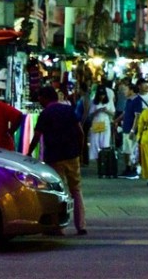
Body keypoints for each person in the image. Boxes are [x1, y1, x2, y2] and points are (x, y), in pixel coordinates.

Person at [26, 85, 87, 235]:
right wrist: (79, 151)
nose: (39, 100)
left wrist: (28, 153)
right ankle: (81, 225)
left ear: (45, 98)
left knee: (58, 192)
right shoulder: (68, 110)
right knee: (76, 190)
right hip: (72, 156)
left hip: (54, 157)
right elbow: (80, 132)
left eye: (40, 97)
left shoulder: (45, 114)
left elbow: (37, 136)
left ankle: (59, 227)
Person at [120, 82, 144, 177]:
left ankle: (134, 169)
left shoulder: (137, 101)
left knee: (133, 150)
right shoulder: (128, 100)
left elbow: (137, 117)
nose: (124, 92)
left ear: (131, 90)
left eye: (126, 89)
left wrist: (133, 130)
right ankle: (128, 168)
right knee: (126, 150)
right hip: (125, 128)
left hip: (131, 130)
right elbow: (125, 113)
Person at [88, 86, 115, 162]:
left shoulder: (109, 101)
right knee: (96, 142)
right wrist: (97, 111)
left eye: (103, 95)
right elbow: (90, 114)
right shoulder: (93, 102)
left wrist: (106, 111)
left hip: (105, 123)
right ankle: (98, 158)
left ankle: (104, 158)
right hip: (96, 122)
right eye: (100, 95)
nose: (101, 97)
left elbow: (113, 113)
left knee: (105, 142)